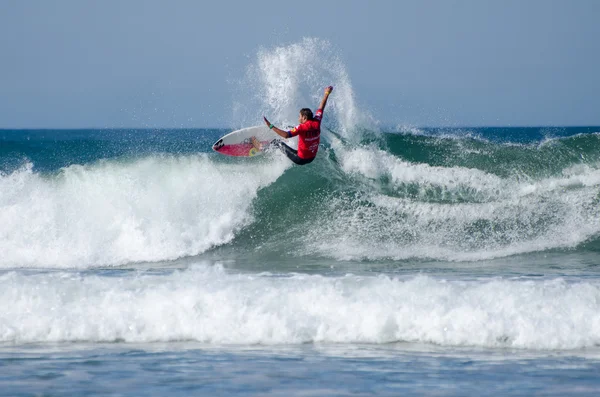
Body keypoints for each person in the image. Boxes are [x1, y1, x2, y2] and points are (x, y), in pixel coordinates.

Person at [262, 86, 333, 165]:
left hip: (300, 159)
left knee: (277, 142)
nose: (298, 118)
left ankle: (261, 148)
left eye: (299, 116)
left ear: (304, 117)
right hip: (311, 158)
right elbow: (321, 107)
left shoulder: (302, 127)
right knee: (293, 131)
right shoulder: (317, 121)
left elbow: (286, 135)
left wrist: (271, 126)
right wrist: (327, 93)